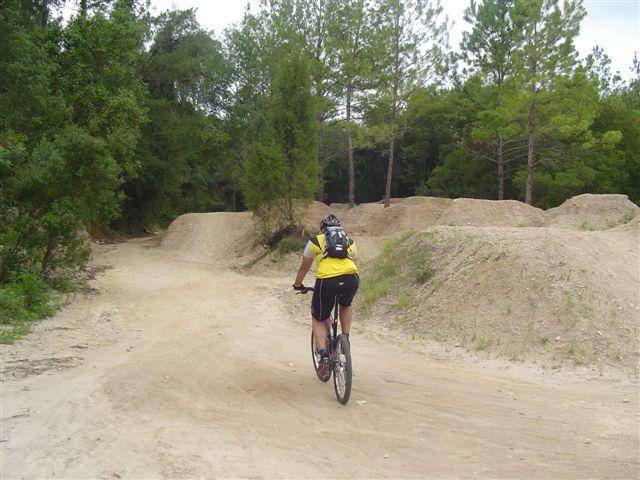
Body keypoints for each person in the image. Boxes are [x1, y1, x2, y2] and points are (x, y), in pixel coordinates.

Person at [293, 213, 359, 376]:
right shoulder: (349, 241)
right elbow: (354, 259)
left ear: (323, 228)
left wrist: (298, 284)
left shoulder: (315, 241)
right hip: (351, 279)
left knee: (318, 318)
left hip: (327, 282)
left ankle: (323, 356)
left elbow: (304, 267)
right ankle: (345, 339)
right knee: (346, 304)